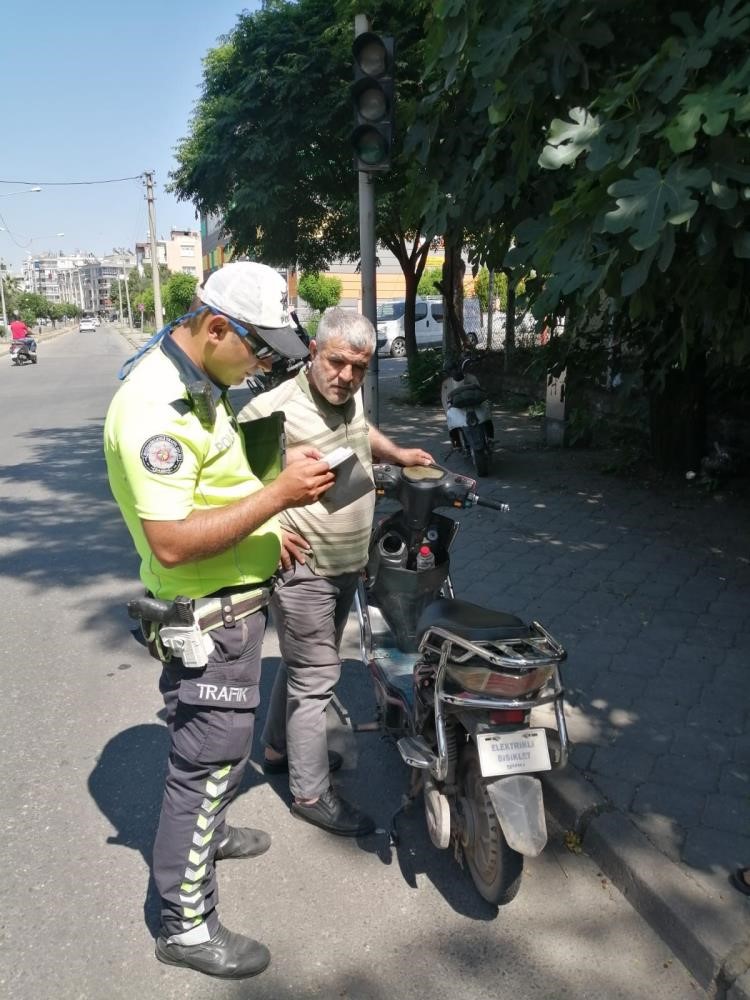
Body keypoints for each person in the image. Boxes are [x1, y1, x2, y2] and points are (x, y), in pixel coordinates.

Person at [104, 261, 335, 980]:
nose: (264, 365)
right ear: (214, 327)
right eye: (259, 351)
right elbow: (172, 539)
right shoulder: (158, 409)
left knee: (218, 757)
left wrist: (270, 530)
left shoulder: (198, 382)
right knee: (201, 769)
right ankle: (186, 924)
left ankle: (211, 831)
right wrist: (277, 500)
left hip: (232, 605)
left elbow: (215, 486)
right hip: (210, 620)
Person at [240, 307, 432, 836]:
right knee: (317, 677)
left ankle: (277, 749)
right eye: (337, 362)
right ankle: (310, 792)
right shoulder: (269, 409)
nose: (346, 377)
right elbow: (235, 482)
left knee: (303, 668)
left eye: (359, 368)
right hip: (306, 568)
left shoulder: (350, 396)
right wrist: (273, 530)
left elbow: (359, 432)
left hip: (348, 561)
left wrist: (396, 452)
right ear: (313, 353)